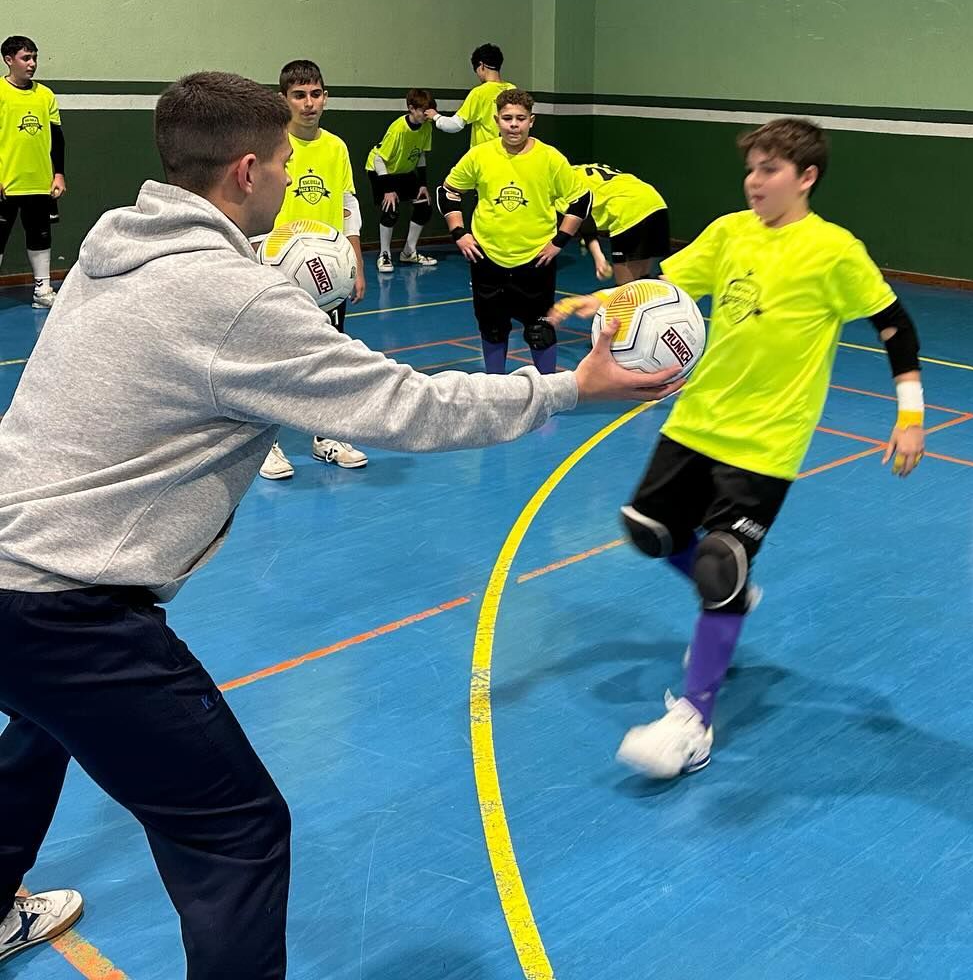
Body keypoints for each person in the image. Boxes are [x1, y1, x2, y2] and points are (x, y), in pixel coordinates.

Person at [0, 71, 680, 976]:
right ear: (247, 171)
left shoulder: (112, 249)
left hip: (9, 565)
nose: (291, 174)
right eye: (283, 160)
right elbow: (406, 406)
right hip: (65, 610)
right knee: (237, 831)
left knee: (42, 729)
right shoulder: (234, 300)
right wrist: (569, 388)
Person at [553, 119, 926, 780]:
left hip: (767, 440)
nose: (754, 181)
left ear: (806, 177)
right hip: (697, 419)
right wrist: (602, 298)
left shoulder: (834, 251)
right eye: (751, 168)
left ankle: (693, 721)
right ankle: (731, 594)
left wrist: (911, 414)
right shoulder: (729, 232)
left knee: (720, 562)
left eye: (769, 169)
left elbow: (895, 326)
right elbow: (666, 289)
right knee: (647, 530)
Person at [261, 60, 367, 479]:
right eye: (299, 95)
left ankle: (327, 435)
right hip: (277, 268)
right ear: (283, 99)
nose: (309, 103)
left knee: (330, 355)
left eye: (316, 94)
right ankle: (265, 444)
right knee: (273, 359)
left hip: (326, 273)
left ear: (326, 97)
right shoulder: (271, 144)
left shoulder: (336, 147)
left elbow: (347, 205)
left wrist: (356, 262)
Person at [440, 89, 591, 377]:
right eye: (507, 118)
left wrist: (559, 241)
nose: (513, 125)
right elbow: (448, 192)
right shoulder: (479, 155)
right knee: (492, 328)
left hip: (536, 260)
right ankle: (495, 386)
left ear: (531, 121)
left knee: (540, 330)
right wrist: (459, 233)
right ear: (496, 120)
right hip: (487, 257)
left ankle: (548, 389)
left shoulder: (550, 158)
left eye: (520, 118)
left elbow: (581, 199)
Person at [0, 36, 65, 309]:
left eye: (34, 58)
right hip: (6, 184)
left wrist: (58, 174)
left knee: (40, 236)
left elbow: (57, 138)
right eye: (26, 58)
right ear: (8, 60)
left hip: (39, 182)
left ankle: (42, 290)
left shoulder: (45, 95)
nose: (32, 64)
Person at [366, 88, 437, 273]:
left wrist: (422, 184)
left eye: (430, 110)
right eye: (423, 111)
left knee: (424, 206)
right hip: (380, 169)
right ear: (411, 108)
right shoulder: (398, 129)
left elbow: (420, 155)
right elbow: (379, 159)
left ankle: (409, 252)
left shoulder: (426, 126)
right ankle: (384, 254)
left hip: (404, 171)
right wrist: (388, 189)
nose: (427, 115)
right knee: (391, 209)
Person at [571, 162, 669, 285]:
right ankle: (670, 284)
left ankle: (672, 285)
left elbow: (584, 221)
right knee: (643, 280)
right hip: (656, 203)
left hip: (629, 211)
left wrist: (599, 258)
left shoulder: (563, 183)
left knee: (625, 287)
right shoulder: (583, 168)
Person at [428, 43, 507, 151]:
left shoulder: (479, 93)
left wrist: (436, 116)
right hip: (508, 155)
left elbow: (455, 125)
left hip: (484, 155)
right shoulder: (513, 89)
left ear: (481, 65)